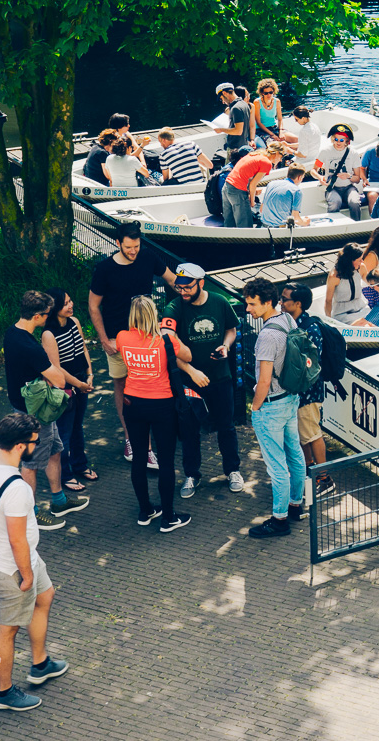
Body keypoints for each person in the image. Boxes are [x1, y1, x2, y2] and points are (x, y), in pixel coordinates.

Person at [0, 413, 69, 711]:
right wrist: (26, 575)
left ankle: (40, 664)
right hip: (12, 567)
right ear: (19, 446)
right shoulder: (17, 488)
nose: (36, 445)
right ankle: (2, 693)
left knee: (45, 596)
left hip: (23, 557)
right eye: (34, 441)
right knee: (7, 628)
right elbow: (17, 539)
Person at [88, 221, 177, 465]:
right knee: (122, 385)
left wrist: (192, 294)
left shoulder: (148, 257)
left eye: (136, 246)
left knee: (153, 382)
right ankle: (131, 439)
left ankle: (151, 436)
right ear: (118, 243)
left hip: (149, 337)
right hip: (118, 340)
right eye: (128, 247)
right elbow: (94, 306)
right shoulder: (105, 269)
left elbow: (173, 280)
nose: (133, 251)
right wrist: (104, 339)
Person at [4, 292, 87, 531]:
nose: (48, 318)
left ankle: (59, 501)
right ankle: (30, 514)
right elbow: (59, 380)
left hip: (26, 406)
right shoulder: (31, 346)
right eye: (46, 314)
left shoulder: (11, 334)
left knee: (54, 450)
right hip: (35, 414)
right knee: (30, 463)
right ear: (38, 315)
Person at [161, 263, 244, 497]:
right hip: (190, 382)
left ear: (201, 283)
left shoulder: (220, 302)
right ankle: (192, 474)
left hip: (220, 377)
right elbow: (167, 343)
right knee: (189, 429)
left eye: (187, 288)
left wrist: (226, 346)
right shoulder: (174, 307)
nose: (183, 292)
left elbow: (231, 329)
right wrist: (190, 371)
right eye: (179, 287)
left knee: (226, 426)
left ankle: (233, 470)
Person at [117, 297, 193, 533]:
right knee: (167, 460)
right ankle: (168, 517)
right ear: (154, 315)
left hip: (132, 403)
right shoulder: (164, 339)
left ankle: (145, 510)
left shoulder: (122, 338)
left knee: (139, 458)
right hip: (161, 404)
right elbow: (188, 356)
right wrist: (172, 334)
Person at [243, 278, 307, 538]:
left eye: (252, 304)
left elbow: (264, 380)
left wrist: (255, 408)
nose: (248, 309)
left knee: (276, 465)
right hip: (291, 399)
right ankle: (295, 504)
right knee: (295, 453)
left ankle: (279, 520)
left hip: (271, 405)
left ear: (267, 302)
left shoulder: (267, 335)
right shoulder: (288, 320)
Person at [280, 283, 336, 495]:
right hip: (297, 391)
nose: (281, 303)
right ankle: (307, 472)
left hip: (308, 392)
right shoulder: (291, 322)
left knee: (312, 434)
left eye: (285, 299)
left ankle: (325, 479)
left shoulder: (310, 329)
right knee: (302, 435)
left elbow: (310, 364)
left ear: (298, 303)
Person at [39, 288, 97, 491]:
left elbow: (83, 348)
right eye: (65, 303)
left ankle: (80, 465)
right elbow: (56, 369)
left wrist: (89, 374)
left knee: (77, 426)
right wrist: (78, 384)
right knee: (63, 432)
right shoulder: (48, 334)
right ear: (54, 308)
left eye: (70, 301)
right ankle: (65, 474)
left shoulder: (75, 322)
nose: (70, 305)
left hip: (81, 380)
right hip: (65, 388)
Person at [223, 142, 286, 228]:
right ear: (277, 153)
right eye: (282, 156)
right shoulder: (266, 163)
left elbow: (248, 177)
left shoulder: (255, 155)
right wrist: (252, 202)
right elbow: (253, 184)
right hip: (237, 191)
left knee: (229, 223)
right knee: (245, 225)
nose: (281, 160)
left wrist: (252, 191)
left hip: (227, 186)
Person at [312, 124, 364, 220]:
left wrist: (348, 176)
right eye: (336, 139)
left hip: (349, 187)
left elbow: (357, 179)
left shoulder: (354, 153)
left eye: (341, 140)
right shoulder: (325, 151)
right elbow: (313, 170)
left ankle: (356, 224)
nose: (338, 143)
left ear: (347, 142)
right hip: (332, 187)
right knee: (335, 202)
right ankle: (332, 226)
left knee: (354, 202)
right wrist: (320, 177)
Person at [325, 243, 371, 325]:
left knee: (375, 322)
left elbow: (372, 282)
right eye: (359, 260)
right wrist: (329, 321)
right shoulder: (334, 276)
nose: (362, 261)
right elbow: (328, 300)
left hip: (361, 308)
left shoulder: (361, 268)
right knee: (363, 325)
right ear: (350, 260)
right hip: (343, 314)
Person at [252, 78, 297, 147]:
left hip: (274, 128)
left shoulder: (277, 101)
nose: (269, 95)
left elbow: (280, 119)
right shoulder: (257, 102)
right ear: (262, 93)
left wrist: (281, 132)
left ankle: (294, 155)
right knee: (276, 145)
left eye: (271, 92)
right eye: (266, 93)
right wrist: (272, 135)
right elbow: (258, 122)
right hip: (261, 130)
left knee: (295, 139)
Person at [214, 82, 253, 152]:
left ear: (224, 93)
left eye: (221, 98)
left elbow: (238, 131)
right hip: (243, 145)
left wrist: (221, 129)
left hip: (235, 149)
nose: (222, 102)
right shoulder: (244, 104)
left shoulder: (236, 108)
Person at [291, 107, 322, 171]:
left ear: (303, 118)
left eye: (296, 119)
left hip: (303, 162)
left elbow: (303, 155)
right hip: (313, 157)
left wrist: (290, 151)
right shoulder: (315, 126)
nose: (296, 121)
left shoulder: (304, 131)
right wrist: (289, 145)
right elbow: (307, 143)